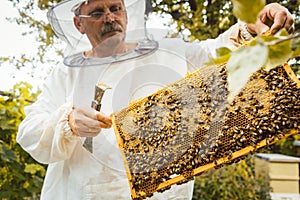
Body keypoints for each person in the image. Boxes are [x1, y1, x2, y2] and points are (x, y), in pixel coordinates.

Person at [17, 0, 294, 199]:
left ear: (126, 12)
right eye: (97, 12)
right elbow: (29, 132)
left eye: (115, 8)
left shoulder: (164, 53)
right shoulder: (66, 73)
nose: (110, 17)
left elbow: (214, 54)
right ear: (79, 24)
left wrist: (253, 28)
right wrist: (67, 122)